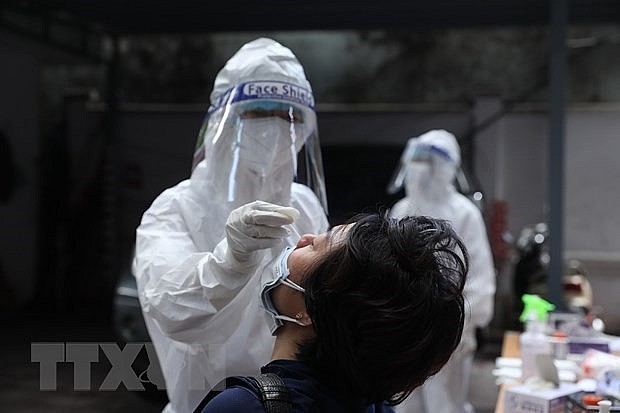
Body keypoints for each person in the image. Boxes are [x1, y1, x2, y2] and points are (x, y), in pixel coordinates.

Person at [132, 37, 330, 413]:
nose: (274, 126)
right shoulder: (176, 208)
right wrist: (230, 261)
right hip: (205, 402)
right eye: (257, 112)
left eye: (288, 115)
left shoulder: (302, 202)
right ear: (224, 121)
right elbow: (170, 307)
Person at [198, 212, 469, 412]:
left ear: (309, 309)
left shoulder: (241, 407)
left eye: (316, 246)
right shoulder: (379, 408)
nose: (303, 238)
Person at [387, 129, 496, 413]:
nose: (419, 168)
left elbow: (480, 278)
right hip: (406, 330)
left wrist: (460, 324)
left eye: (428, 160)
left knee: (445, 404)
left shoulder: (464, 213)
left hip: (451, 335)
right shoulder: (401, 210)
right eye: (416, 159)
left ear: (446, 168)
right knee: (405, 403)